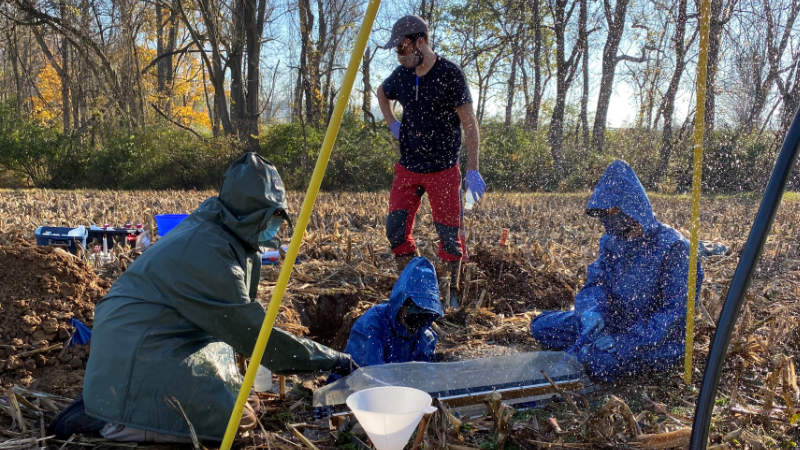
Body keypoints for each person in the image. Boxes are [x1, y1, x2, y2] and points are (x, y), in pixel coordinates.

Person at [49, 153, 356, 442]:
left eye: (278, 216)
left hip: (158, 335)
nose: (273, 226)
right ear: (248, 214)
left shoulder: (225, 231)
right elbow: (257, 338)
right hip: (142, 345)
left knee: (235, 394)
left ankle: (119, 402)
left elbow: (241, 317)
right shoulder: (210, 251)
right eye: (270, 217)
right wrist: (336, 360)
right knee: (239, 420)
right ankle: (115, 421)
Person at [530, 160, 703, 382]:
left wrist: (625, 342)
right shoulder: (612, 241)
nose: (608, 220)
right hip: (611, 322)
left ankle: (594, 354)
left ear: (632, 208)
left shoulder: (675, 248)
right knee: (541, 326)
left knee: (599, 361)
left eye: (612, 212)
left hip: (656, 340)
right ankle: (592, 347)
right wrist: (592, 311)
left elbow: (675, 314)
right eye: (605, 214)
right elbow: (596, 283)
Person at [377, 15, 485, 308]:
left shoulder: (450, 75)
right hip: (408, 168)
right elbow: (381, 93)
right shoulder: (401, 76)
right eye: (396, 50)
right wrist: (391, 122)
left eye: (402, 48)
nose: (399, 55)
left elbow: (470, 125)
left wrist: (472, 170)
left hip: (443, 170)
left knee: (450, 239)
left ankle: (452, 295)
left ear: (420, 42)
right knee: (396, 230)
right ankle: (413, 289)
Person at [344, 256, 443, 368]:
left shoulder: (425, 337)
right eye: (415, 311)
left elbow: (425, 375)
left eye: (425, 314)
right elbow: (369, 372)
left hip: (399, 385)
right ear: (401, 304)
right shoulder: (372, 325)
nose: (418, 319)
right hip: (357, 384)